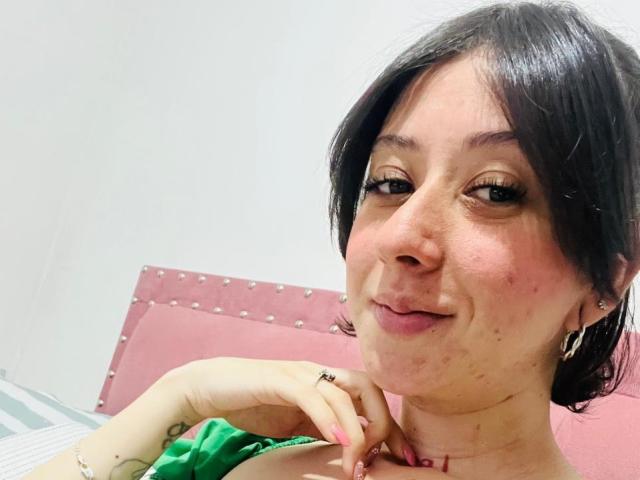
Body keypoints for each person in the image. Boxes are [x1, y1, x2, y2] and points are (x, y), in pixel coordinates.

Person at [25, 1, 640, 479]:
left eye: (496, 191)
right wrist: (181, 396)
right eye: (390, 182)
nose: (401, 235)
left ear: (606, 281)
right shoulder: (238, 452)